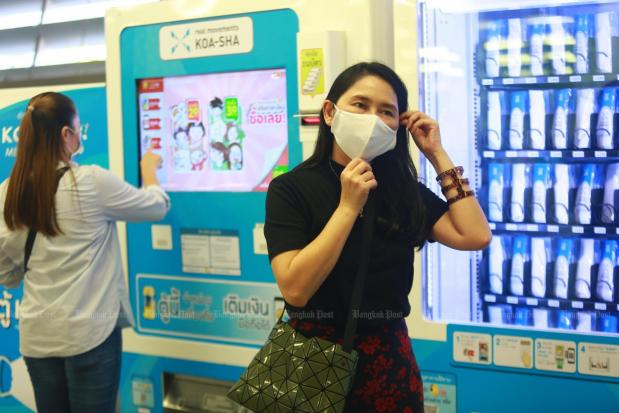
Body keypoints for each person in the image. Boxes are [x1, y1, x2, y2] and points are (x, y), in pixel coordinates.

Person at [264, 62, 491, 412]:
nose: (373, 119)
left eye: (386, 111)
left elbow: (474, 234)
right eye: (360, 104)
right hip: (311, 358)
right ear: (330, 112)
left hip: (388, 360)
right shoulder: (291, 189)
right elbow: (295, 289)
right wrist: (347, 207)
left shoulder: (401, 189)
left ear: (398, 125)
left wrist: (437, 154)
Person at [0, 92, 170, 413]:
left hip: (37, 339)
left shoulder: (8, 192)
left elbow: (7, 275)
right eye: (77, 128)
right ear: (66, 133)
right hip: (90, 335)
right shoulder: (89, 181)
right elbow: (156, 207)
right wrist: (150, 171)